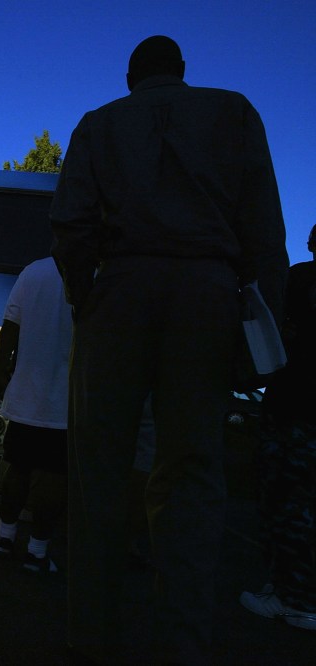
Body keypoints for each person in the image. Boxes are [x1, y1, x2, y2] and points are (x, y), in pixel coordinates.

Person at [50, 36, 289, 664]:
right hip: (208, 296)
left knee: (98, 469)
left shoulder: (99, 124)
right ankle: (182, 643)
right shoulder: (234, 112)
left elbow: (71, 224)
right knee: (191, 474)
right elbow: (266, 231)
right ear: (181, 72)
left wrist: (87, 297)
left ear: (132, 77)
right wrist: (260, 335)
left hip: (120, 289)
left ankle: (91, 636)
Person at [240, 223, 316, 630]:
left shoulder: (300, 278)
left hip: (294, 406)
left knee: (286, 501)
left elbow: (268, 328)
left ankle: (293, 597)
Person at [0, 256, 72, 574]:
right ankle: (36, 553)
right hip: (67, 400)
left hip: (25, 393)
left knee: (18, 468)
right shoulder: (96, 273)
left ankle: (3, 538)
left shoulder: (33, 272)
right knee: (54, 478)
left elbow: (9, 329)